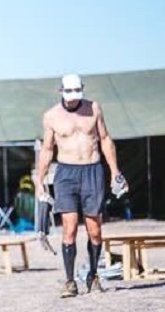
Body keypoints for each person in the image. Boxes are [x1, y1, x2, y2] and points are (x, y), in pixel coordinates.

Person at [35, 74, 126, 298]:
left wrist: (115, 171)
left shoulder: (94, 109)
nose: (73, 98)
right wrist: (40, 180)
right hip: (66, 173)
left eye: (77, 93)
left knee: (95, 230)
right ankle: (69, 281)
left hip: (93, 170)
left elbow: (104, 139)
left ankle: (93, 274)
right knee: (70, 227)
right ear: (61, 91)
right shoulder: (51, 116)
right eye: (69, 93)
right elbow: (47, 149)